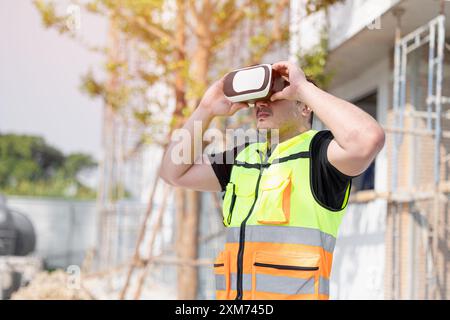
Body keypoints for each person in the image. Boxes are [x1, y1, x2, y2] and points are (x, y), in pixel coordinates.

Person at [160, 61, 385, 300]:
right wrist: (206, 109)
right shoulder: (243, 157)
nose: (261, 104)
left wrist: (304, 88)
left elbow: (368, 139)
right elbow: (173, 172)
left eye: (275, 95)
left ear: (304, 107)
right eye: (257, 98)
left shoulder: (319, 155)